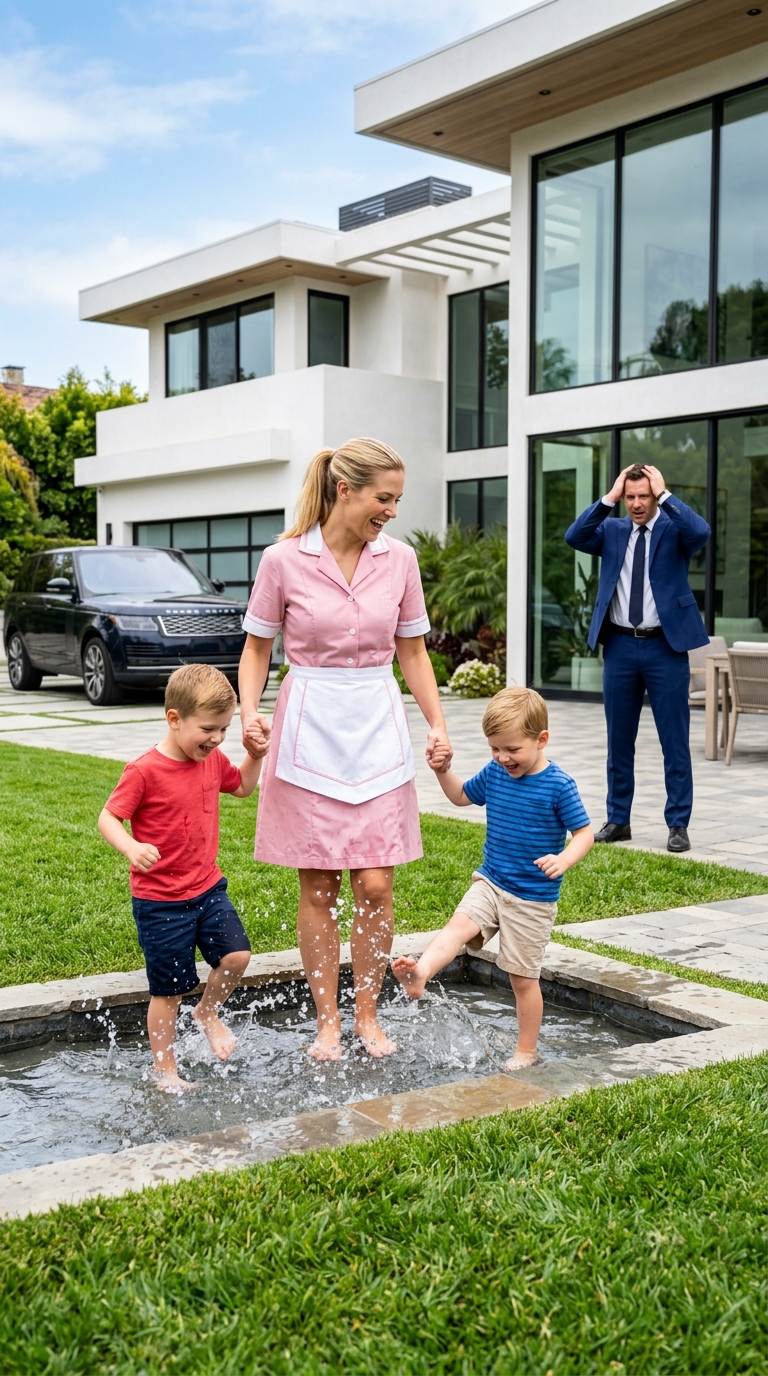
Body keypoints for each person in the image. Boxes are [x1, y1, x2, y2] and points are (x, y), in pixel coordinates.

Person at [238, 438, 453, 1062]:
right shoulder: (283, 559)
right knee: (319, 886)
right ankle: (327, 1022)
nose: (392, 511)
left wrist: (437, 724)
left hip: (378, 725)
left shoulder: (401, 560)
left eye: (397, 500)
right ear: (344, 491)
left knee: (377, 884)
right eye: (384, 498)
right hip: (309, 726)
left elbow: (413, 651)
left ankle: (368, 1016)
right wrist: (249, 714)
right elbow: (257, 647)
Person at [392, 687, 593, 1070]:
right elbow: (460, 796)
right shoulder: (496, 773)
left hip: (532, 898)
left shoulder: (559, 785)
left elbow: (584, 833)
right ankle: (421, 974)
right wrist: (442, 771)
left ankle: (526, 1050)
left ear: (541, 739)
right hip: (491, 880)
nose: (502, 757)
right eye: (494, 748)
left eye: (512, 749)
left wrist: (564, 859)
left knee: (521, 978)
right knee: (457, 927)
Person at [98, 663, 265, 1092]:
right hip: (160, 901)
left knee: (237, 956)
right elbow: (108, 818)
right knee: (168, 991)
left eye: (224, 729)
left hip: (207, 887)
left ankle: (207, 1012)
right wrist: (131, 847)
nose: (217, 739)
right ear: (174, 719)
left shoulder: (211, 760)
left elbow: (243, 787)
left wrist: (255, 755)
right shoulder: (144, 771)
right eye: (208, 729)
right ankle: (166, 1072)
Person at [565, 462, 710, 853]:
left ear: (654, 495)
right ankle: (618, 820)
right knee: (618, 740)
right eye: (630, 497)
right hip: (620, 647)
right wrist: (608, 498)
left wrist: (665, 494)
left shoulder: (674, 528)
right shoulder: (612, 530)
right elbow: (574, 536)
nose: (636, 504)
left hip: (666, 647)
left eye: (643, 496)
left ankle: (677, 825)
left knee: (674, 740)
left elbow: (701, 532)